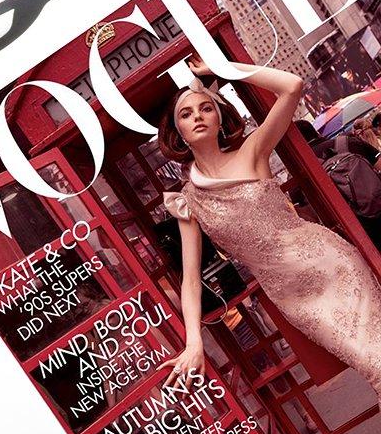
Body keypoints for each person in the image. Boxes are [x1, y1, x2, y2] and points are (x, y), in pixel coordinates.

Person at [156, 57, 381, 403]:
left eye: (205, 108)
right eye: (186, 114)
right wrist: (193, 341)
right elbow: (189, 280)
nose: (197, 116)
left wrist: (219, 66)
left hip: (331, 265)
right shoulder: (186, 201)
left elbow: (291, 85)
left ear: (220, 119)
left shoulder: (253, 151)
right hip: (295, 297)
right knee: (372, 364)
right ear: (179, 134)